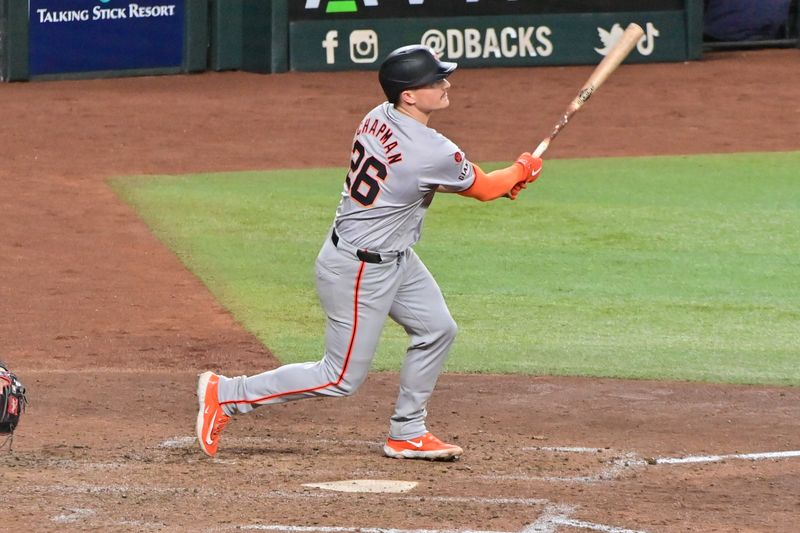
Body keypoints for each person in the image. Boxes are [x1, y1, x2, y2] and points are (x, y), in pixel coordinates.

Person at [196, 44, 543, 461]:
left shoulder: (377, 116)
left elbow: (472, 184)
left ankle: (407, 431)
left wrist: (505, 181)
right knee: (339, 377)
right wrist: (523, 169)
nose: (446, 84)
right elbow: (487, 188)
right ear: (409, 95)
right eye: (435, 80)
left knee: (437, 329)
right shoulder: (431, 150)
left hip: (391, 257)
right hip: (359, 270)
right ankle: (227, 394)